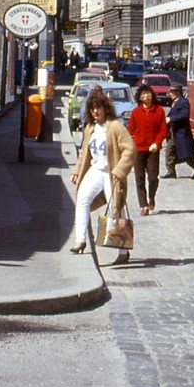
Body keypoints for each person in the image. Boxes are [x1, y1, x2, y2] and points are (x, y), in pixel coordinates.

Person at [70, 91, 136, 263]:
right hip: (95, 170)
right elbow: (85, 152)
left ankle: (123, 252)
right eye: (92, 108)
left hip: (111, 172)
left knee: (116, 208)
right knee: (82, 200)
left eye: (98, 108)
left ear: (106, 108)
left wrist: (120, 171)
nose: (95, 111)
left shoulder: (115, 127)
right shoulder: (90, 127)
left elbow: (130, 149)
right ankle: (81, 240)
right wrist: (77, 170)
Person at [127, 84, 168, 216]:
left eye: (148, 94)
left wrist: (157, 143)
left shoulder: (159, 110)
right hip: (138, 149)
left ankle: (151, 197)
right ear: (139, 97)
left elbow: (163, 130)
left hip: (153, 149)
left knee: (152, 176)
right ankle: (143, 205)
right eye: (143, 94)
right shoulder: (135, 112)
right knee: (139, 178)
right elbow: (131, 130)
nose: (146, 96)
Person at [162, 84, 194, 179]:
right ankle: (171, 172)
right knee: (169, 152)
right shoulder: (175, 102)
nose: (170, 93)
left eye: (172, 92)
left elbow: (184, 115)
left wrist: (171, 119)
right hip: (173, 133)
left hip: (181, 133)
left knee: (187, 156)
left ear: (177, 92)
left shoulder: (183, 102)